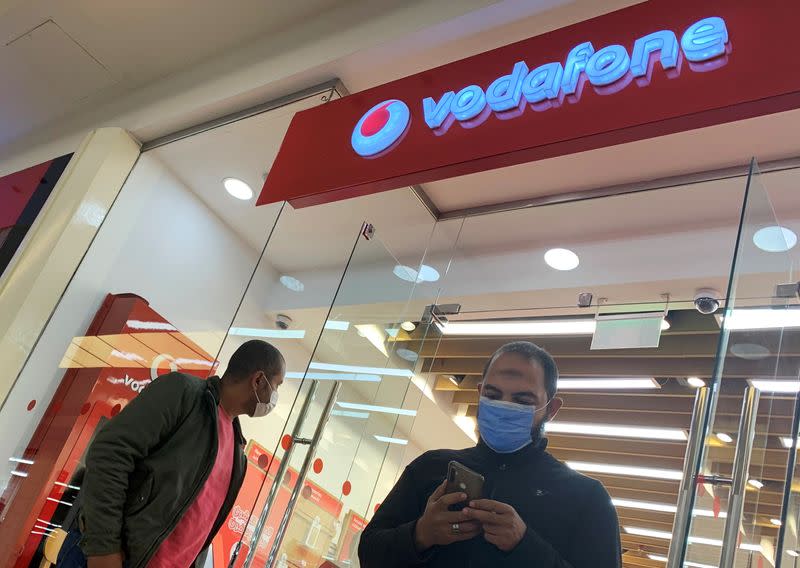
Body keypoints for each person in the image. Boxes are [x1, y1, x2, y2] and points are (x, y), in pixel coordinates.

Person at [358, 341, 621, 567]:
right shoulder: (430, 466)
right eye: (493, 395)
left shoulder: (586, 498)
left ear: (551, 409)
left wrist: (525, 545)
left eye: (522, 400)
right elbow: (368, 553)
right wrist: (420, 534)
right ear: (479, 393)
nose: (504, 406)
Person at [57, 339, 286, 568]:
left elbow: (198, 531)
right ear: (258, 380)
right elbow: (111, 453)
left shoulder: (238, 454)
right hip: (115, 558)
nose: (275, 396)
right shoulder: (183, 394)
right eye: (277, 385)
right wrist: (103, 549)